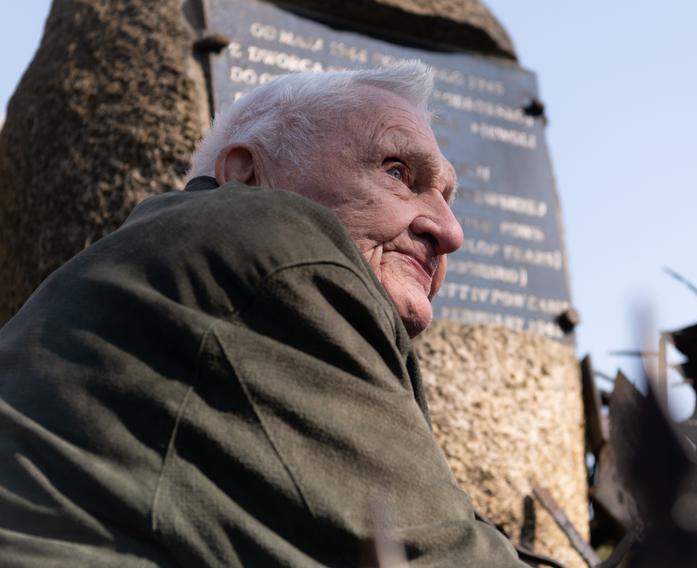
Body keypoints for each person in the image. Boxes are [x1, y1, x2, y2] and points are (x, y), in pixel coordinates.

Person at [0, 61, 533, 566]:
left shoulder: (164, 271)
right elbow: (434, 552)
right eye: (397, 172)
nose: (450, 232)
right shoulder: (269, 246)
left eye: (447, 197)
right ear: (245, 174)